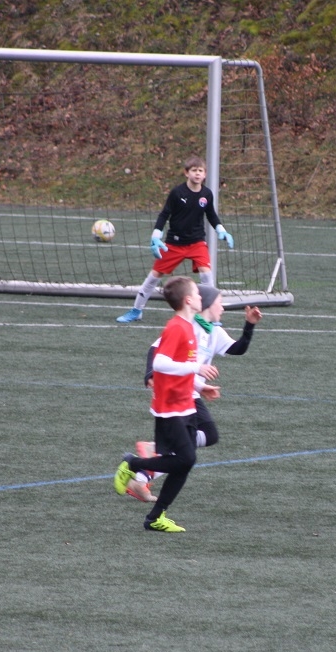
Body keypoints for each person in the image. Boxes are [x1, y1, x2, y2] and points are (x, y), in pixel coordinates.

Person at [125, 284, 263, 502]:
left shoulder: (214, 331)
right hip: (178, 392)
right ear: (206, 304)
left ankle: (143, 473)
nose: (223, 308)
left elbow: (238, 348)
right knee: (189, 451)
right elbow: (155, 349)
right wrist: (150, 373)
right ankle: (144, 468)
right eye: (220, 302)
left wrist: (249, 325)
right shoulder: (187, 326)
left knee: (202, 440)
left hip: (192, 391)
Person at [113, 276, 219, 532]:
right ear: (188, 300)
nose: (201, 297)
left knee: (185, 462)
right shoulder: (177, 328)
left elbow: (180, 368)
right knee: (186, 459)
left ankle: (155, 517)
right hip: (170, 408)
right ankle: (133, 464)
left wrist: (199, 387)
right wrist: (197, 368)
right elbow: (160, 363)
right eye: (197, 293)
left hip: (186, 403)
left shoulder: (190, 326)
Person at [116, 155, 234, 323]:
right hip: (174, 243)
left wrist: (222, 230)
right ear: (186, 173)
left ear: (205, 174)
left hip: (197, 243)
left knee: (207, 276)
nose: (197, 173)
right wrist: (156, 235)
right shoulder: (177, 193)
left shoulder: (207, 194)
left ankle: (209, 316)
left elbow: (211, 215)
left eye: (200, 171)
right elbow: (164, 214)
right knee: (154, 277)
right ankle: (136, 310)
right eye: (194, 170)